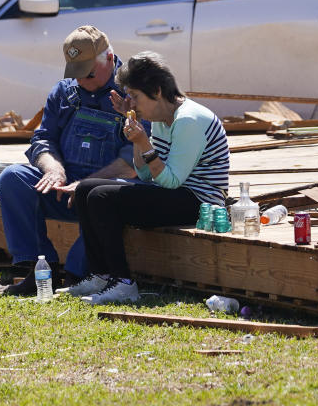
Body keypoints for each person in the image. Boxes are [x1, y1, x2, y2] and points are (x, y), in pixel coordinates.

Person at [65, 51, 230, 304]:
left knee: (102, 197)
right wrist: (133, 127)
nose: (132, 102)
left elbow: (171, 181)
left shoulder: (189, 120)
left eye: (136, 97)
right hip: (175, 193)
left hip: (199, 202)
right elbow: (144, 173)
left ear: (157, 90)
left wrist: (143, 141)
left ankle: (123, 283)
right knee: (86, 188)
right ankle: (100, 274)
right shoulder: (162, 117)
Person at [0, 25, 138, 295]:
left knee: (102, 197)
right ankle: (40, 270)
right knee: (12, 178)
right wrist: (54, 169)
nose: (82, 81)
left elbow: (132, 161)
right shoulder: (63, 92)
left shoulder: (134, 93)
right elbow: (42, 139)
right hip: (63, 189)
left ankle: (76, 274)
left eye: (89, 74)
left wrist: (86, 184)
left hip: (103, 192)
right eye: (77, 73)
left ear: (109, 59)